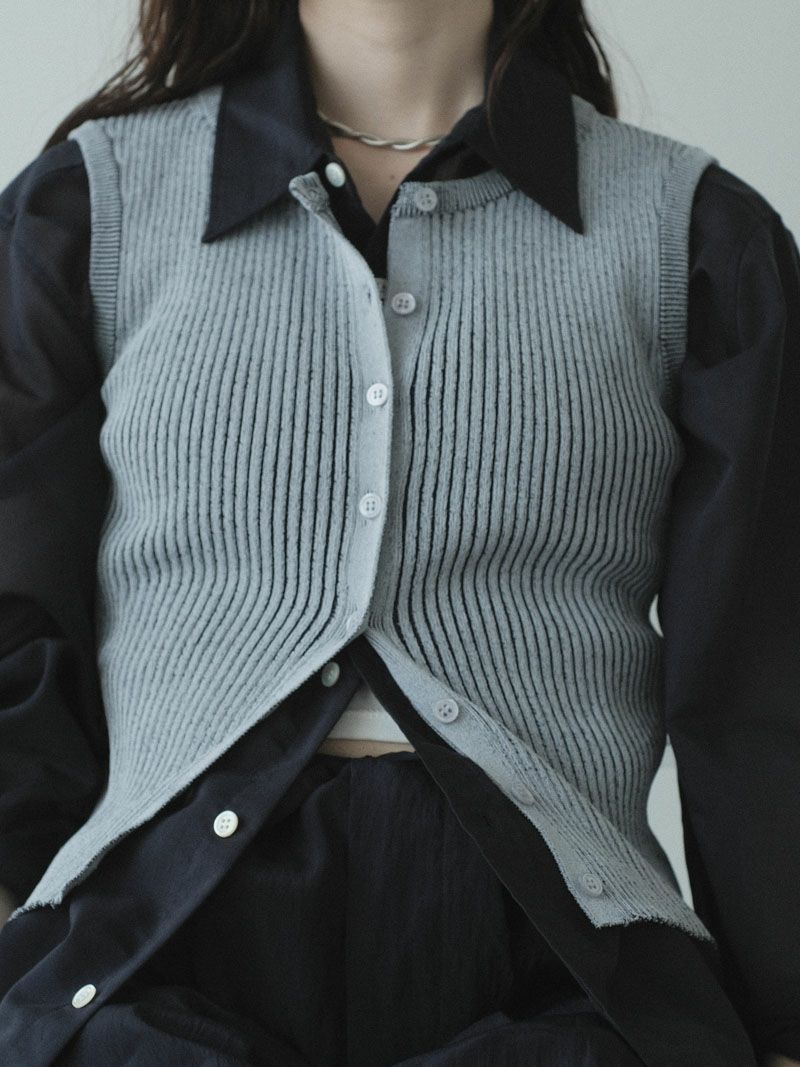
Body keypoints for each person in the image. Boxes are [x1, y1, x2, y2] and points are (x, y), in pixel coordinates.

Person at [0, 0, 798, 1063]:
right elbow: (14, 615)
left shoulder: (694, 236)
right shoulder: (83, 207)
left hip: (555, 958)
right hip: (157, 939)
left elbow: (758, 674)